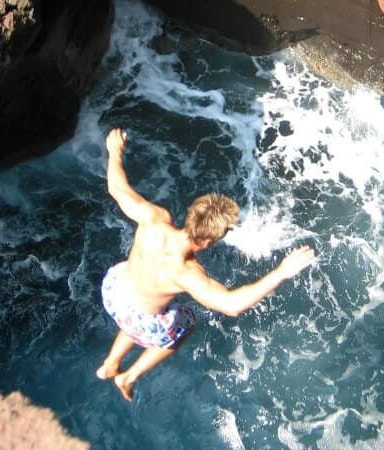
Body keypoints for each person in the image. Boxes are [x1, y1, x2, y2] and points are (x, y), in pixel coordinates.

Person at [95, 128, 316, 401]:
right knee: (184, 323)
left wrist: (115, 151)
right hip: (138, 316)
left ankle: (111, 363)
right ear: (210, 241)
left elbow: (117, 189)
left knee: (146, 306)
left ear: (191, 214)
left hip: (115, 292)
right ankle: (129, 376)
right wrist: (281, 272)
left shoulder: (154, 218)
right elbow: (231, 305)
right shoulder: (187, 273)